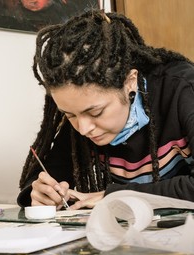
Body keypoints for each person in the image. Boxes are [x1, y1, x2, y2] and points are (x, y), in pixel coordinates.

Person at [17, 10, 194, 210]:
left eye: (96, 113)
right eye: (70, 115)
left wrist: (116, 196)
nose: (83, 129)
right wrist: (40, 193)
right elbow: (45, 176)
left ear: (130, 82)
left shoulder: (183, 89)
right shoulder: (81, 118)